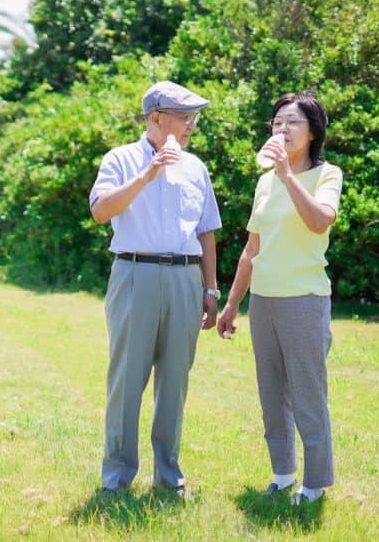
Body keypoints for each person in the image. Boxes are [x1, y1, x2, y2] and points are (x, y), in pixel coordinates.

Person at [89, 80, 222, 496]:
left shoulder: (196, 168)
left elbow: (206, 233)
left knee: (175, 382)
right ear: (155, 118)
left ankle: (168, 476)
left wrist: (212, 289)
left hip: (185, 278)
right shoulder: (121, 159)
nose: (191, 126)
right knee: (127, 380)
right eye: (185, 118)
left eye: (193, 118)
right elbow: (99, 211)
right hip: (135, 275)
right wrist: (148, 175)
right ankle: (117, 477)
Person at [217, 91, 343, 506]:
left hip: (304, 299)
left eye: (292, 122)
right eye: (276, 123)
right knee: (272, 394)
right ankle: (283, 473)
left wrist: (288, 176)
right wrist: (233, 304)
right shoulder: (263, 182)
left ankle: (316, 483)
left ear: (313, 132)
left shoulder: (327, 175)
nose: (282, 129)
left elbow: (319, 221)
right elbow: (252, 250)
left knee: (307, 394)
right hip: (265, 302)